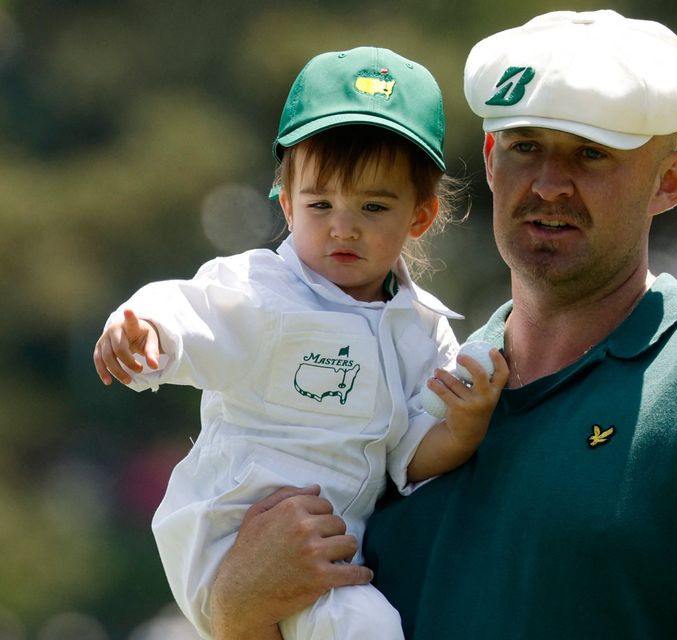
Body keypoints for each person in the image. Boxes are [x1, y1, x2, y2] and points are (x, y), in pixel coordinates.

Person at [206, 10, 677, 640]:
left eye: (591, 155)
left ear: (670, 181)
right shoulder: (423, 376)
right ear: (490, 159)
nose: (548, 185)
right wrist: (237, 610)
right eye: (525, 147)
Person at [92, 46, 508, 640]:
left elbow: (410, 453)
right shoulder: (264, 291)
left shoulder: (423, 328)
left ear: (419, 216)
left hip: (326, 550)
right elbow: (190, 310)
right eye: (320, 204)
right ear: (286, 203)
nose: (343, 225)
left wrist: (461, 432)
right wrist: (143, 331)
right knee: (368, 628)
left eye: (373, 205)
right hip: (233, 534)